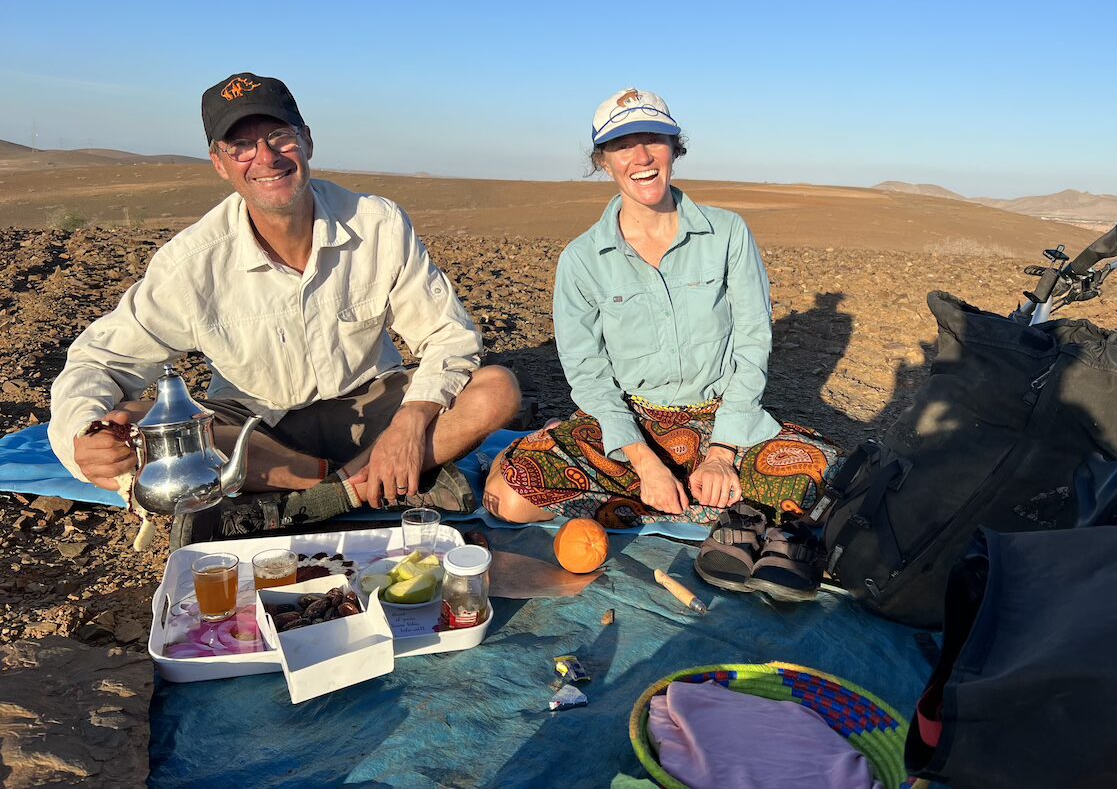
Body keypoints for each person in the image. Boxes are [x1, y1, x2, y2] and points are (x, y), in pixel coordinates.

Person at [49, 72, 521, 543]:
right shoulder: (191, 263)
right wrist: (84, 439)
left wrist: (411, 421)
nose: (266, 158)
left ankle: (317, 499)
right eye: (241, 146)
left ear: (307, 141)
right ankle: (369, 483)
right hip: (254, 431)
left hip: (372, 405)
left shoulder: (378, 224)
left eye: (279, 136)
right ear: (219, 162)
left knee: (495, 390)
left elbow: (448, 336)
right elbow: (100, 360)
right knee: (131, 428)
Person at [483, 88, 839, 533]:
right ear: (603, 160)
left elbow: (752, 342)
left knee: (820, 483)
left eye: (654, 138)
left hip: (718, 416)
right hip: (630, 421)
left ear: (675, 148)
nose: (641, 156)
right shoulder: (581, 259)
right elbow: (588, 372)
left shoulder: (728, 233)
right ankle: (638, 483)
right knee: (512, 501)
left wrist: (722, 454)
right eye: (622, 144)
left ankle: (633, 494)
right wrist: (645, 463)